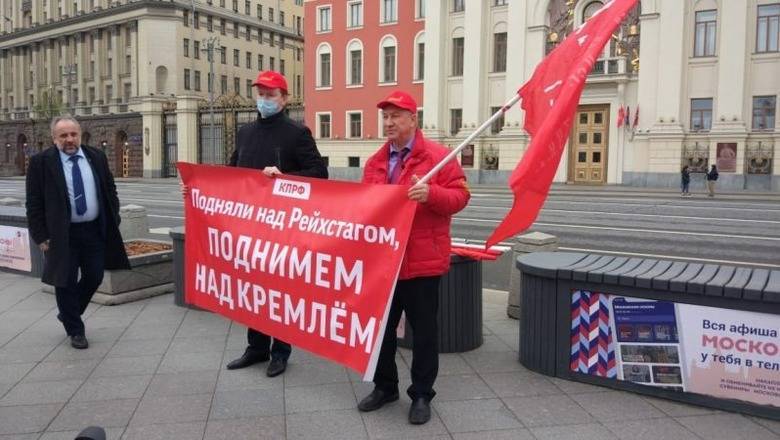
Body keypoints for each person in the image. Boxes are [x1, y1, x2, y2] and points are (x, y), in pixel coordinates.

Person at [357, 91, 470, 425]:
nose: (389, 123)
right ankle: (385, 386)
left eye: (396, 116)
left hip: (421, 262)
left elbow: (461, 197)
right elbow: (365, 205)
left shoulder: (438, 157)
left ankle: (421, 394)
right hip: (385, 263)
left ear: (413, 119)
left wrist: (431, 194)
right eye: (386, 117)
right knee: (381, 332)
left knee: (424, 333)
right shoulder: (375, 162)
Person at [224, 70, 328, 377]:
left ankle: (280, 351)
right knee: (252, 287)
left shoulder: (297, 133)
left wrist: (285, 179)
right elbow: (231, 173)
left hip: (283, 227)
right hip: (249, 226)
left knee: (279, 291)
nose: (265, 100)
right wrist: (199, 187)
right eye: (261, 94)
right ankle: (256, 347)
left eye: (271, 95)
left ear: (284, 99)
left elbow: (319, 175)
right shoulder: (245, 132)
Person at [25, 116, 130, 349]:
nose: (69, 139)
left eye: (73, 134)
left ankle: (68, 312)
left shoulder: (96, 157)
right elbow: (33, 203)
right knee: (65, 281)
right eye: (63, 136)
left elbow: (109, 190)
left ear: (80, 135)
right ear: (54, 139)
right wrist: (40, 236)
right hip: (62, 234)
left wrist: (115, 216)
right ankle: (76, 330)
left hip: (93, 231)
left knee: (95, 276)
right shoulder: (41, 163)